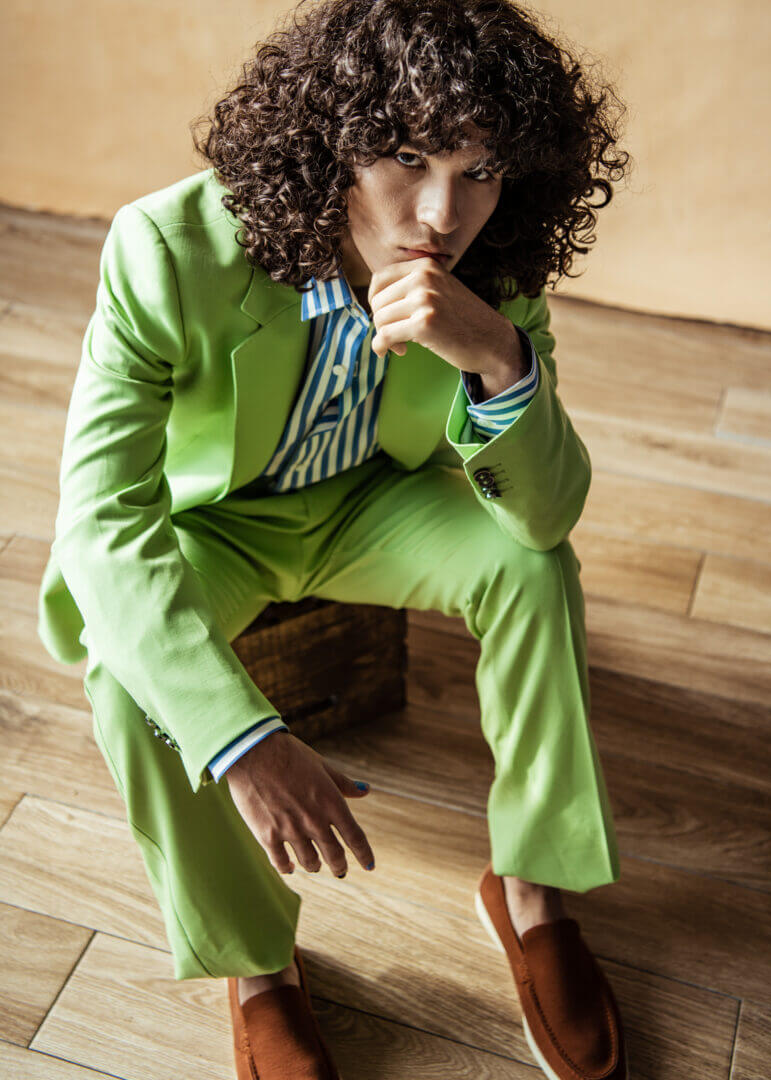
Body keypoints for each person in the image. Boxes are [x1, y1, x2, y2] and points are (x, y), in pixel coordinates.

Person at [37, 0, 632, 1076]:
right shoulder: (165, 249)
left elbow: (545, 512)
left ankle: (533, 886)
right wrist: (239, 740)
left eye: (482, 170)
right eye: (407, 156)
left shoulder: (494, 270)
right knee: (125, 678)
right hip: (215, 524)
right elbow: (99, 521)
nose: (444, 212)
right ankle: (258, 963)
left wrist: (499, 359)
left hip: (372, 497)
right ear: (332, 139)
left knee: (531, 563)